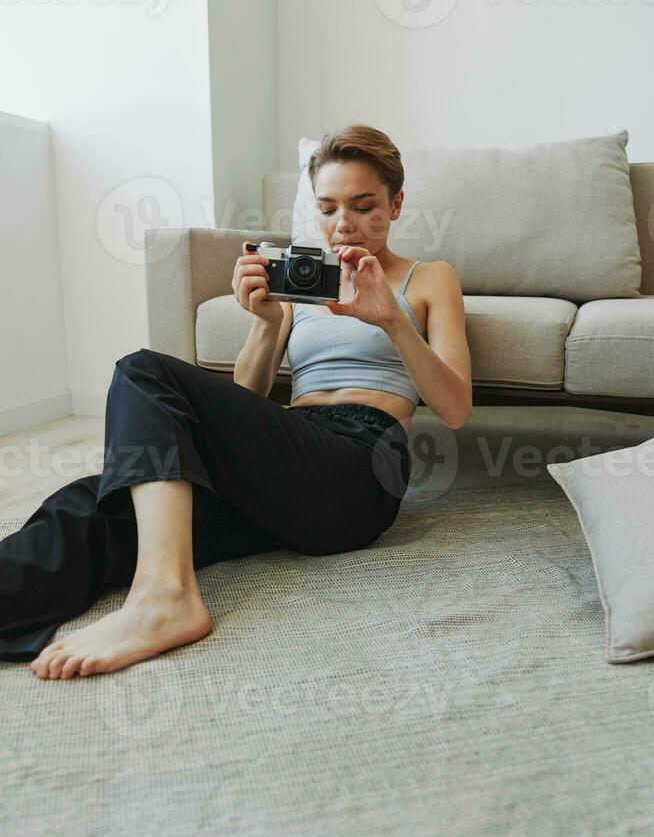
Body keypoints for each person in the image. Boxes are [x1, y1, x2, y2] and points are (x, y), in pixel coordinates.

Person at [0, 124, 472, 679]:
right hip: (289, 468)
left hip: (361, 464)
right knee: (94, 503)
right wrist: (268, 322)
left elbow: (455, 407)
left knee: (143, 372)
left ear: (395, 203)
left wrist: (392, 319)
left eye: (364, 205)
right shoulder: (306, 285)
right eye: (327, 208)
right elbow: (243, 403)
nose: (343, 223)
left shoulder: (430, 278)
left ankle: (164, 596)